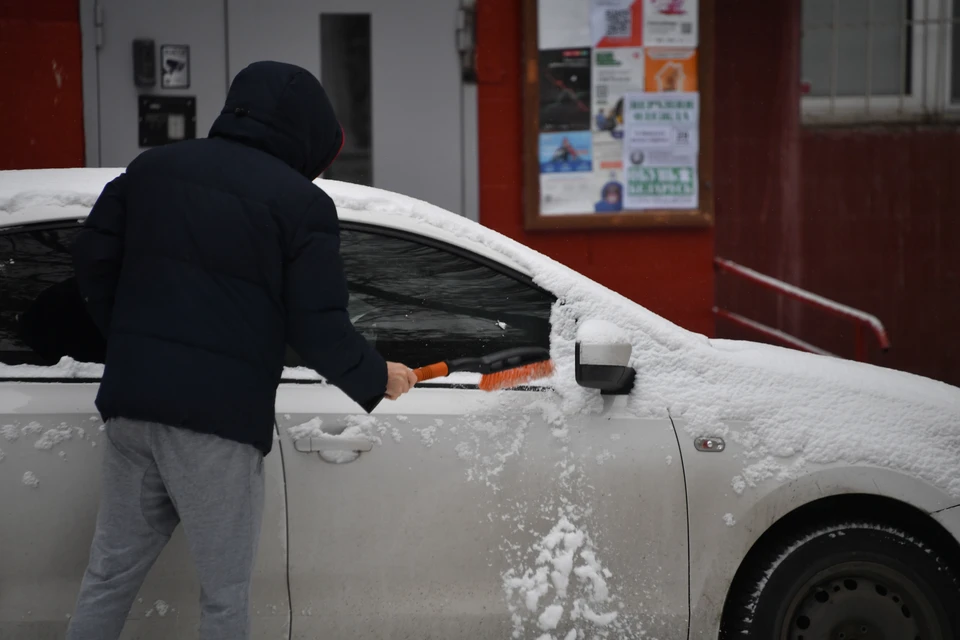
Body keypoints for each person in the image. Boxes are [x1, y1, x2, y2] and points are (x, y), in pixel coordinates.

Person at [65, 60, 417, 640]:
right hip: (217, 425)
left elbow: (92, 262)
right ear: (308, 135)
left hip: (132, 407)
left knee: (107, 576)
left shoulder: (150, 170)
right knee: (223, 598)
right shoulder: (300, 205)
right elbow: (317, 323)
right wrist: (377, 376)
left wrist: (131, 342)